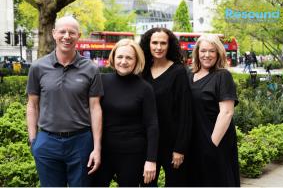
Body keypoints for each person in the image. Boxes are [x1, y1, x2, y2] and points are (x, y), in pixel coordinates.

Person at [26, 16, 103, 187]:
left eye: (72, 32)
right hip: (47, 141)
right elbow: (32, 105)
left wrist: (97, 148)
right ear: (54, 34)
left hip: (81, 142)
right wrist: (33, 141)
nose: (66, 36)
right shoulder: (38, 67)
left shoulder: (91, 69)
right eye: (62, 31)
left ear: (78, 35)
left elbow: (95, 108)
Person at [91, 39, 159, 186]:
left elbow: (152, 125)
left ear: (136, 61)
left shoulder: (145, 88)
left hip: (133, 154)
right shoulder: (102, 81)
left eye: (129, 58)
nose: (123, 61)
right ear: (113, 58)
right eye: (120, 57)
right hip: (102, 152)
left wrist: (151, 160)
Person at [139, 28, 192, 187]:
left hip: (172, 145)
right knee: (146, 184)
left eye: (163, 43)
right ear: (148, 44)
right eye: (154, 42)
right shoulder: (141, 71)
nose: (158, 47)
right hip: (146, 144)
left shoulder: (178, 72)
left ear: (170, 46)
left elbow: (185, 112)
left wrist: (180, 148)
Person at [187, 34, 240, 187]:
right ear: (197, 52)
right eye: (203, 51)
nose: (207, 55)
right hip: (193, 142)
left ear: (218, 54)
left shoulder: (222, 76)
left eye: (212, 51)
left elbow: (227, 112)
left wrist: (211, 146)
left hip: (215, 141)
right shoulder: (189, 75)